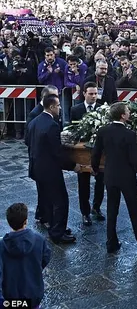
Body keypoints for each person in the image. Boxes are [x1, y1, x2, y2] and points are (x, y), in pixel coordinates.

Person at [92, 102, 137, 254]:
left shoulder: (103, 131)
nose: (129, 113)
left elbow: (96, 153)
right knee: (135, 210)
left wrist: (95, 169)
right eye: (127, 111)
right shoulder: (129, 134)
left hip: (110, 175)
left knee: (112, 209)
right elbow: (134, 159)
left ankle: (111, 243)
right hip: (127, 178)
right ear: (122, 115)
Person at [25, 95, 80, 244]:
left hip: (37, 168)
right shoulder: (52, 125)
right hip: (50, 170)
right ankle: (57, 232)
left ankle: (54, 227)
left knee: (48, 200)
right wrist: (73, 165)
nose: (60, 108)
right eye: (58, 106)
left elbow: (28, 142)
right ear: (51, 107)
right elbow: (57, 152)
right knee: (61, 201)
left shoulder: (34, 121)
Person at [0, 203, 51, 308]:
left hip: (11, 298)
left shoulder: (2, 246)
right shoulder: (39, 239)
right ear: (26, 221)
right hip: (33, 295)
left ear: (9, 223)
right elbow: (45, 258)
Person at [69, 82, 105, 226]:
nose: (94, 96)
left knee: (101, 181)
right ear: (84, 93)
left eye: (96, 93)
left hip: (100, 152)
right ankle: (85, 212)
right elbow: (72, 129)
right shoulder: (75, 109)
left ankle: (96, 207)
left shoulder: (102, 109)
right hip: (82, 152)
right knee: (83, 183)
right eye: (91, 94)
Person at [25, 84, 58, 227]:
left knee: (45, 191)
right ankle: (45, 216)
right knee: (43, 191)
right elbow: (28, 139)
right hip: (40, 159)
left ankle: (42, 214)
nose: (57, 99)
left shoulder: (52, 110)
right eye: (53, 96)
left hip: (45, 159)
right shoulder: (35, 114)